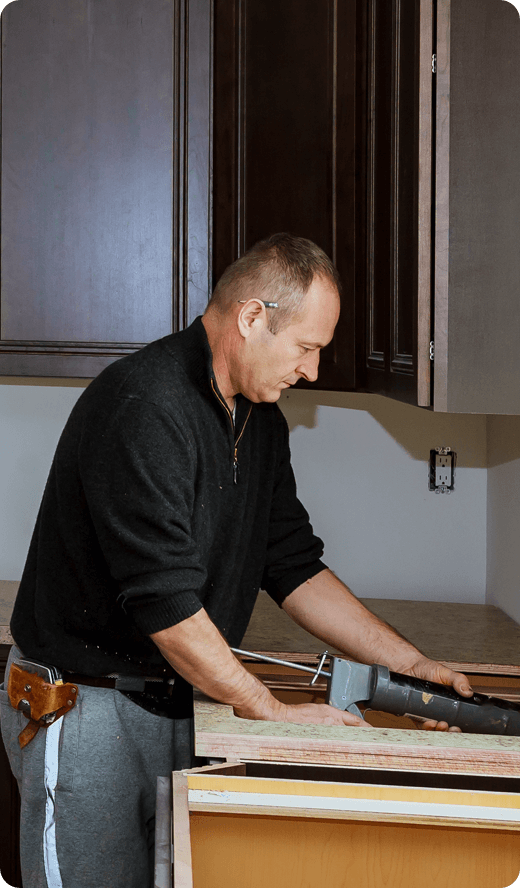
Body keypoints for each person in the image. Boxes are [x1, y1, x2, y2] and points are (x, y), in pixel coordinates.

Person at [0, 233, 473, 888]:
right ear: (252, 318)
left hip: (181, 697)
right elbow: (164, 600)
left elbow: (293, 564)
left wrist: (410, 664)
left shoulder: (259, 418)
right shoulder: (144, 407)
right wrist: (265, 707)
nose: (311, 370)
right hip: (85, 710)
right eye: (306, 347)